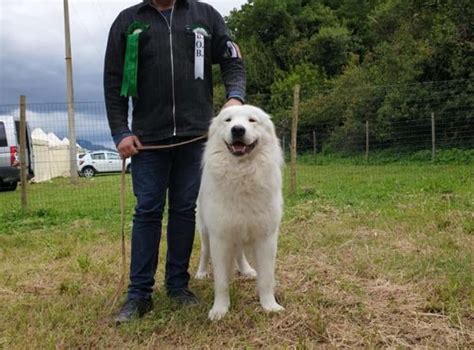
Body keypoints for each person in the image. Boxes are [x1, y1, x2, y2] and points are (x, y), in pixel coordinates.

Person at [104, 0, 246, 324]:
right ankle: (139, 295)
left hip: (195, 138)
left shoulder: (205, 16)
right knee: (148, 210)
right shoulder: (128, 22)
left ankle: (178, 286)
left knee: (184, 210)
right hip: (146, 141)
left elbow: (233, 60)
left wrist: (235, 96)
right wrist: (121, 131)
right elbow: (113, 83)